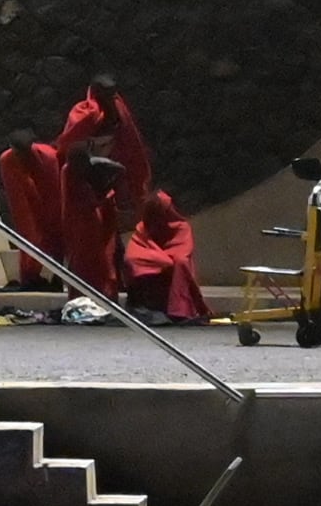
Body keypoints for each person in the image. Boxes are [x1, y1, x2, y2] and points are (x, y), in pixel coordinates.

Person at [56, 74, 152, 221]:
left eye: (112, 95)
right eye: (106, 96)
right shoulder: (84, 114)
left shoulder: (118, 107)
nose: (111, 100)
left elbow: (129, 136)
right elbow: (69, 142)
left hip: (114, 158)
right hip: (90, 166)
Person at [122, 189, 211, 325]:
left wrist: (164, 261)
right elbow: (134, 254)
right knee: (134, 262)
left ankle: (179, 310)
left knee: (181, 263)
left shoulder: (181, 227)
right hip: (151, 274)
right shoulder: (144, 227)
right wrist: (161, 261)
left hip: (172, 268)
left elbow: (181, 254)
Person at [0, 128, 62, 285]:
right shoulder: (7, 160)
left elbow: (55, 190)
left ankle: (59, 274)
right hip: (27, 194)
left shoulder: (49, 157)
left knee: (57, 232)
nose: (22, 157)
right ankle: (29, 273)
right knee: (29, 233)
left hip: (50, 195)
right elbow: (18, 200)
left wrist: (51, 216)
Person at [55, 149, 126, 297]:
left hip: (92, 223)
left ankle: (104, 295)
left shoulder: (94, 168)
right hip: (80, 225)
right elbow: (81, 204)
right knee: (84, 264)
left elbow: (120, 169)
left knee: (99, 262)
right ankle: (84, 296)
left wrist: (107, 188)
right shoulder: (70, 176)